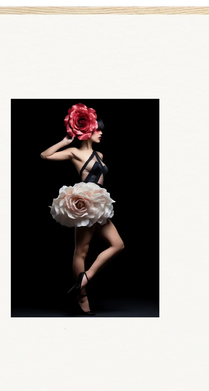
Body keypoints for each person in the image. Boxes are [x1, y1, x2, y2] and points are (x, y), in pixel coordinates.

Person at [40, 103, 125, 316]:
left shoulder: (100, 155)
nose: (101, 133)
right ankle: (82, 297)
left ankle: (85, 278)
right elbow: (45, 155)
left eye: (101, 130)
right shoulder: (74, 153)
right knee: (82, 251)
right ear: (86, 131)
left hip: (99, 203)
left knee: (118, 245)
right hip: (84, 203)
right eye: (97, 129)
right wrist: (64, 141)